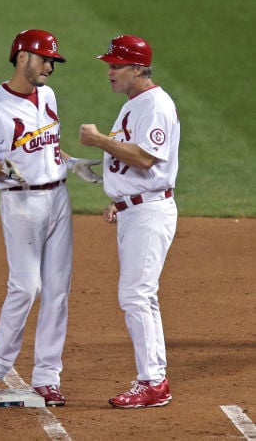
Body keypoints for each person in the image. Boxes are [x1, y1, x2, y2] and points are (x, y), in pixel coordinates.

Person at [0, 29, 101, 406]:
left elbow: (49, 147)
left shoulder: (48, 95)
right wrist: (1, 168)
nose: (49, 67)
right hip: (21, 203)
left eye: (52, 62)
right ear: (22, 57)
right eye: (45, 59)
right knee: (26, 287)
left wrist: (71, 163)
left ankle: (47, 376)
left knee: (57, 290)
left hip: (58, 198)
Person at [79, 35, 179, 408]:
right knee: (141, 295)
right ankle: (154, 378)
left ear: (138, 68)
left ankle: (153, 382)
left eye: (117, 66)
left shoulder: (155, 105)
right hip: (135, 209)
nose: (110, 72)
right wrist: (118, 200)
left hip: (151, 211)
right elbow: (131, 159)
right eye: (109, 65)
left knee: (137, 294)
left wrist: (100, 141)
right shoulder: (134, 104)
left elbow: (147, 158)